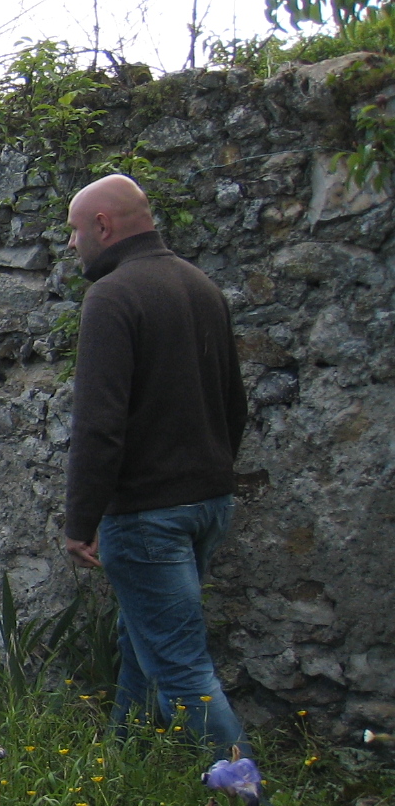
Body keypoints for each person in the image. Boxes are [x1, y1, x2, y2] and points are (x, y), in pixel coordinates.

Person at [63, 173, 250, 751]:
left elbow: (99, 425)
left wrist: (81, 520)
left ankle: (247, 797)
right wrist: (209, 476)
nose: (71, 243)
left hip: (149, 514)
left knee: (181, 670)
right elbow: (235, 404)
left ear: (102, 225)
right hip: (207, 504)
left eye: (74, 230)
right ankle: (125, 764)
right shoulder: (201, 285)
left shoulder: (113, 296)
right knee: (141, 644)